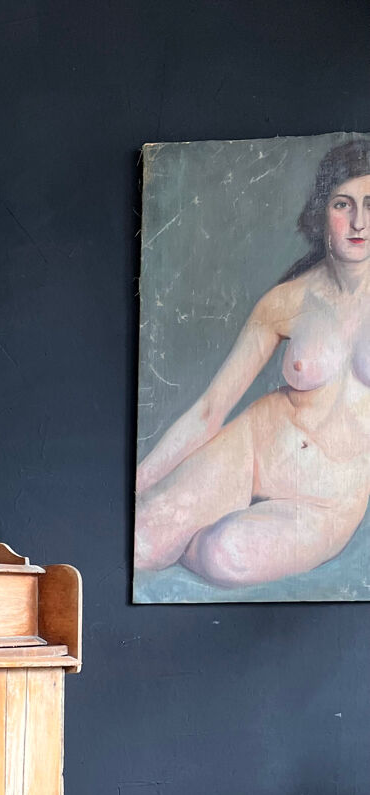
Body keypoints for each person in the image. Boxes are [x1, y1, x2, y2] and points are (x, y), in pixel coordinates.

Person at [135, 139, 370, 586]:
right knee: (143, 539)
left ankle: (203, 531)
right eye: (343, 204)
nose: (359, 222)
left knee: (224, 554)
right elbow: (210, 410)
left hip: (327, 500)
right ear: (323, 213)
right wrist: (137, 486)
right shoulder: (286, 302)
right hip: (253, 450)